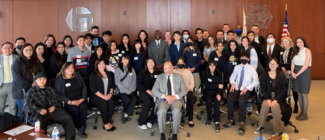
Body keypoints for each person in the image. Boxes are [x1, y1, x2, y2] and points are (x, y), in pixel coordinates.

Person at [22, 72, 76, 140]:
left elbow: (58, 100)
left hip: (52, 111)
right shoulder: (31, 91)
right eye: (40, 79)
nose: (42, 81)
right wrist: (39, 110)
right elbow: (27, 105)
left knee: (68, 118)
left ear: (46, 80)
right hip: (39, 113)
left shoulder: (50, 89)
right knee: (40, 124)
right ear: (36, 80)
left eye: (44, 79)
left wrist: (54, 107)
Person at [222, 52, 259, 134]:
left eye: (245, 57)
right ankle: (231, 120)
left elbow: (256, 81)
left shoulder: (252, 69)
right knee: (230, 99)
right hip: (237, 87)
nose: (243, 59)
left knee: (241, 101)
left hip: (246, 89)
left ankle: (242, 123)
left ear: (248, 59)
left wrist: (247, 87)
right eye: (242, 57)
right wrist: (233, 83)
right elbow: (232, 77)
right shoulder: (237, 67)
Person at [253, 58, 289, 137]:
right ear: (268, 65)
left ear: (277, 65)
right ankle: (261, 126)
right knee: (265, 105)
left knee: (274, 106)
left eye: (274, 63)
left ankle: (277, 130)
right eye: (270, 64)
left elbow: (283, 90)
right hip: (267, 97)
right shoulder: (264, 75)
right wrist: (268, 99)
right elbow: (263, 89)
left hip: (279, 98)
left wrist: (276, 100)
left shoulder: (282, 76)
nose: (272, 65)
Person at [152, 61, 187, 140]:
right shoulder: (159, 77)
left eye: (169, 68)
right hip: (163, 100)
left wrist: (175, 97)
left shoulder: (179, 77)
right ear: (163, 69)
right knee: (161, 111)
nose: (167, 70)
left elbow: (184, 90)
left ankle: (175, 134)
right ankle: (162, 133)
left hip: (176, 100)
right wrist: (165, 96)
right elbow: (154, 91)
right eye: (165, 68)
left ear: (173, 68)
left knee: (177, 111)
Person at [54, 62, 88, 138]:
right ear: (64, 69)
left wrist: (82, 98)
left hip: (80, 99)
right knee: (74, 110)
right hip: (68, 101)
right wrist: (70, 102)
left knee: (83, 108)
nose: (70, 70)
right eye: (68, 68)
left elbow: (84, 87)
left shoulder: (77, 76)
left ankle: (82, 128)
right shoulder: (60, 80)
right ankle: (77, 126)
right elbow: (58, 94)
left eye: (72, 67)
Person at [12, 43, 44, 122]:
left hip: (34, 89)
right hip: (21, 90)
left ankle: (29, 129)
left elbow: (41, 71)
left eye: (30, 50)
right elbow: (17, 77)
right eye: (26, 50)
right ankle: (19, 128)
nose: (29, 51)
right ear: (22, 51)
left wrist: (38, 81)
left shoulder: (35, 60)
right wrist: (30, 84)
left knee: (32, 110)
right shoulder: (17, 61)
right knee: (23, 111)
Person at [89, 59, 116, 131]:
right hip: (96, 96)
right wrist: (103, 96)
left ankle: (108, 120)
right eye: (99, 64)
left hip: (107, 95)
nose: (102, 65)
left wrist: (110, 94)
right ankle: (105, 124)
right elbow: (93, 89)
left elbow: (112, 85)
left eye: (103, 63)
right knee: (104, 103)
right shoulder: (93, 75)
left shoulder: (109, 74)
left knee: (111, 103)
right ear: (96, 65)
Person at [137, 58, 162, 130]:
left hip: (156, 92)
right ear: (146, 64)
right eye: (149, 62)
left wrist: (155, 92)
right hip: (144, 92)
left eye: (152, 62)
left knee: (159, 102)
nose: (150, 64)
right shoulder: (142, 72)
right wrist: (149, 91)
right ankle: (141, 122)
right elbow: (139, 84)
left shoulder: (159, 73)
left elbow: (161, 84)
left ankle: (151, 120)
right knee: (148, 102)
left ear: (154, 63)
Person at [291, 37, 312, 121]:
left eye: (300, 42)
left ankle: (304, 113)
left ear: (304, 42)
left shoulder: (307, 51)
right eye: (297, 42)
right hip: (295, 72)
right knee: (298, 93)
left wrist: (297, 74)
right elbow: (293, 62)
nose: (299, 43)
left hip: (304, 72)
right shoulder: (295, 51)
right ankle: (301, 111)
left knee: (303, 93)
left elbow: (306, 64)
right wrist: (292, 72)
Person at [201, 60, 223, 132]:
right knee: (209, 101)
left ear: (216, 66)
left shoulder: (220, 74)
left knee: (217, 102)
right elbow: (207, 86)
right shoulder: (205, 73)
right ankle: (209, 118)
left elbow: (221, 86)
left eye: (214, 65)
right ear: (208, 66)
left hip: (217, 92)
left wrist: (219, 94)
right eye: (210, 65)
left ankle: (217, 122)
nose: (212, 67)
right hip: (208, 92)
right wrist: (217, 85)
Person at [173, 57, 195, 128]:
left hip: (187, 90)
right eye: (179, 63)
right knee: (177, 101)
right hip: (177, 91)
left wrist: (188, 89)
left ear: (184, 63)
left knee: (190, 100)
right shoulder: (173, 71)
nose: (180, 64)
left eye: (182, 62)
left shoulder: (188, 72)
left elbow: (192, 83)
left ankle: (190, 118)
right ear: (176, 63)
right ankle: (180, 117)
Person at [115, 54, 137, 122]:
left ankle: (126, 113)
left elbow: (134, 81)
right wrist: (126, 91)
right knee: (127, 99)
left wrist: (130, 90)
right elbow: (117, 82)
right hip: (121, 91)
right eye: (124, 59)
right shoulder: (118, 70)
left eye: (127, 59)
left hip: (131, 90)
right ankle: (127, 113)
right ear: (121, 60)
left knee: (135, 98)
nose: (125, 61)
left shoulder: (132, 69)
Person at [279, 37, 298, 113]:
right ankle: (284, 105)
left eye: (287, 41)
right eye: (284, 41)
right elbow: (279, 60)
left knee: (293, 89)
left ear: (290, 42)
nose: (285, 43)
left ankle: (296, 105)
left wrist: (288, 70)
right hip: (283, 72)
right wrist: (283, 68)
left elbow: (293, 61)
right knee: (284, 88)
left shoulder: (293, 50)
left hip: (291, 71)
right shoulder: (281, 50)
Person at [0, 42, 19, 115]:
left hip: (13, 85)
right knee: (0, 106)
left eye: (9, 47)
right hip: (1, 85)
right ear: (2, 49)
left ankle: (11, 122)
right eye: (5, 48)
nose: (7, 49)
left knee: (13, 106)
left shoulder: (18, 58)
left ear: (13, 49)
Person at [183, 37, 202, 107]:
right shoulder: (185, 50)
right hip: (187, 71)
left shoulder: (197, 50)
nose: (189, 42)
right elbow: (183, 60)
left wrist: (194, 68)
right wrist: (187, 67)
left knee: (197, 86)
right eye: (188, 41)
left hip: (195, 70)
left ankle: (198, 100)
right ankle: (190, 100)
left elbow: (199, 60)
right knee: (188, 86)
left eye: (191, 41)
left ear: (193, 42)